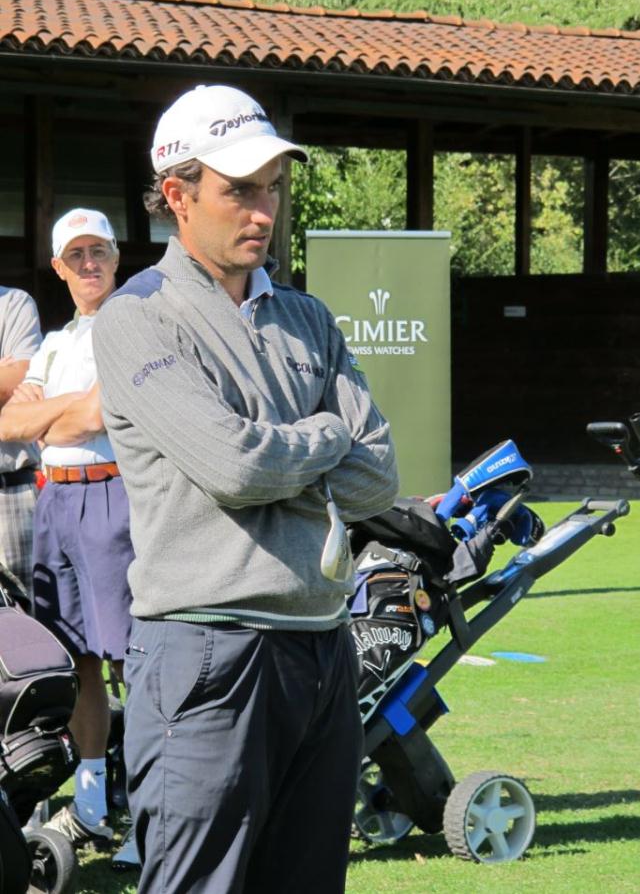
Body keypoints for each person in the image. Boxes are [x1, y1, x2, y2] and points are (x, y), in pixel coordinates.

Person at [92, 83, 398, 894]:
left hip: (321, 646)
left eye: (270, 188)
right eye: (238, 191)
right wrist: (324, 434)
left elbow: (378, 478)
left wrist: (283, 452)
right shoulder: (138, 318)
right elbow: (236, 469)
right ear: (177, 197)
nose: (262, 211)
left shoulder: (310, 318)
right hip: (207, 654)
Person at [0, 209, 135, 859]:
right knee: (79, 661)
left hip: (116, 500)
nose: (88, 264)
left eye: (98, 252)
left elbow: (90, 418)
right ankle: (89, 804)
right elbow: (13, 422)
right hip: (57, 504)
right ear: (58, 266)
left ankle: (149, 809)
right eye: (75, 254)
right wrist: (61, 413)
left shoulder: (137, 327)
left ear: (115, 259)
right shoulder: (54, 344)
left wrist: (50, 416)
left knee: (135, 664)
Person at [0, 286, 42, 597]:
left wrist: (9, 377)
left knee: (25, 618)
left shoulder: (14, 303)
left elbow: (15, 381)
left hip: (9, 493)